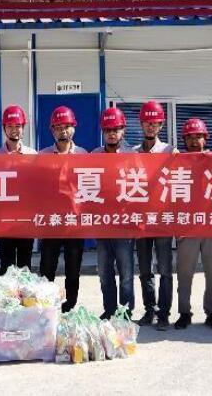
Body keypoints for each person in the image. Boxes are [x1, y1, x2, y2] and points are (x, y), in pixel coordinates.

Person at [173, 118, 212, 331]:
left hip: (211, 225)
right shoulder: (177, 162)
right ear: (184, 140)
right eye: (190, 137)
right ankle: (184, 312)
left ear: (206, 138)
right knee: (184, 272)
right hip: (187, 226)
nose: (194, 141)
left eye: (199, 137)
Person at [39, 105, 88, 313]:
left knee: (73, 268)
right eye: (58, 127)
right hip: (51, 222)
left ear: (74, 128)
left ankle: (69, 306)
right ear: (52, 130)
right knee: (47, 268)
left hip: (74, 223)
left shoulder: (84, 155)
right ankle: (46, 306)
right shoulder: (43, 156)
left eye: (66, 127)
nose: (63, 131)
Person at [133, 100, 176, 331]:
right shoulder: (132, 153)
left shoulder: (170, 152)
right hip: (141, 220)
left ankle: (164, 313)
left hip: (162, 219)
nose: (151, 126)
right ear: (141, 124)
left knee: (165, 270)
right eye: (147, 123)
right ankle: (149, 310)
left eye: (155, 123)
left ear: (161, 125)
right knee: (145, 269)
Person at [92, 107, 136, 320]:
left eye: (116, 129)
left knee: (126, 273)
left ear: (123, 130)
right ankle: (109, 310)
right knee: (104, 271)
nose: (111, 134)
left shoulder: (133, 156)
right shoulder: (93, 156)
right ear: (102, 131)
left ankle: (125, 312)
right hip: (102, 224)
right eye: (108, 130)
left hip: (124, 224)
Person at [0, 105, 37, 274]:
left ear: (23, 128)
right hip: (4, 220)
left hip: (26, 219)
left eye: (18, 126)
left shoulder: (33, 155)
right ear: (4, 128)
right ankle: (8, 293)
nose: (14, 130)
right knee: (7, 266)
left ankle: (24, 292)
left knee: (25, 265)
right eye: (10, 126)